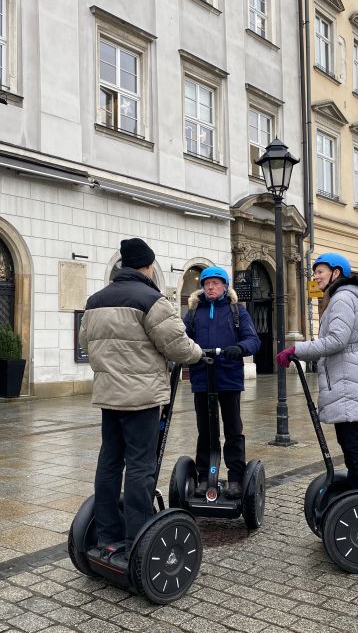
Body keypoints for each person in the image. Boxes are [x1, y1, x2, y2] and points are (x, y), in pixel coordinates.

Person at [79, 238, 203, 563]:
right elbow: (178, 347)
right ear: (147, 266)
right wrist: (198, 354)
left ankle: (107, 536)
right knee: (139, 467)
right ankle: (137, 538)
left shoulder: (95, 300)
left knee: (109, 463)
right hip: (143, 398)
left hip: (109, 396)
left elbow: (86, 341)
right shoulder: (152, 299)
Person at [276, 253, 358, 492]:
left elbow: (336, 341)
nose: (316, 276)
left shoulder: (342, 298)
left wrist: (297, 349)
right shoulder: (341, 297)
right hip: (342, 376)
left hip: (344, 377)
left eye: (320, 271)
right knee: (350, 441)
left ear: (336, 272)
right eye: (314, 272)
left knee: (354, 443)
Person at [184, 266, 260, 499]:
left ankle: (236, 477)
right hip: (201, 377)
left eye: (216, 283)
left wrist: (239, 348)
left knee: (233, 429)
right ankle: (205, 476)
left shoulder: (237, 311)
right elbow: (181, 339)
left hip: (228, 377)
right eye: (207, 283)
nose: (210, 287)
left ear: (225, 286)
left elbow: (253, 340)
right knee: (205, 431)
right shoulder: (194, 312)